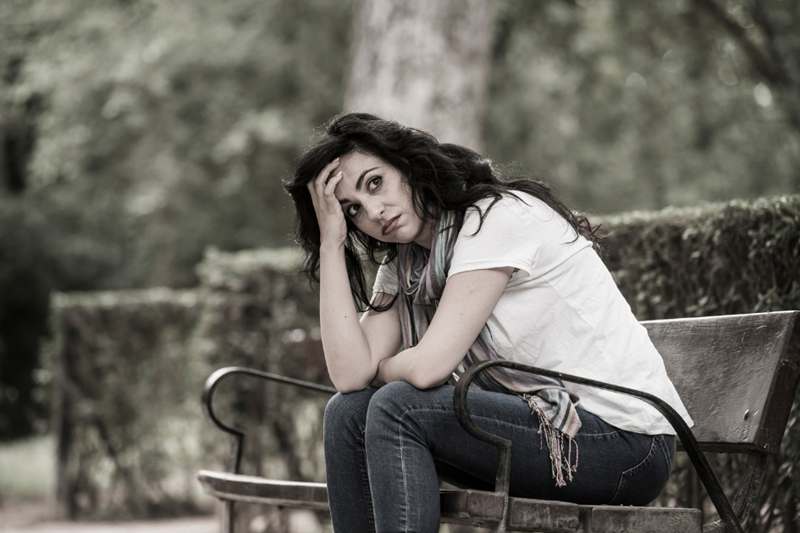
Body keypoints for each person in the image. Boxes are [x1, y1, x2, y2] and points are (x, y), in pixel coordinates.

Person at [284, 113, 693, 533]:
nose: (374, 211)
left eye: (375, 183)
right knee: (348, 412)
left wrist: (383, 369)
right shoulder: (407, 263)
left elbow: (427, 368)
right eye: (352, 210)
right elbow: (351, 376)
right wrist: (332, 243)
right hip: (545, 434)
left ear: (407, 165)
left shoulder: (493, 219)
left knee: (397, 405)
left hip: (625, 446)